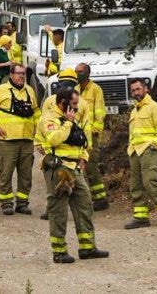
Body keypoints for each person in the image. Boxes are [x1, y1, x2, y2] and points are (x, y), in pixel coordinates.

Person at [39, 86, 109, 264]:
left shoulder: (71, 116)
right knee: (59, 211)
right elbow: (54, 139)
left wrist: (83, 158)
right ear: (63, 103)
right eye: (74, 104)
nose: (77, 107)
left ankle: (87, 247)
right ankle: (59, 251)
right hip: (59, 168)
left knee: (85, 204)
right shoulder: (50, 118)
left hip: (75, 167)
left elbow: (83, 140)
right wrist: (69, 122)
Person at [0, 63, 40, 214]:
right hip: (8, 141)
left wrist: (39, 130)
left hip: (26, 140)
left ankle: (22, 203)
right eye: (19, 73)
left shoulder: (30, 91)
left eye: (24, 74)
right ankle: (6, 203)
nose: (21, 76)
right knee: (6, 173)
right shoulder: (0, 91)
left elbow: (36, 112)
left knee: (26, 175)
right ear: (11, 75)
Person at [35, 69, 89, 221]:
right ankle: (53, 210)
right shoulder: (50, 102)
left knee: (80, 195)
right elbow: (43, 125)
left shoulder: (80, 104)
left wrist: (85, 155)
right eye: (62, 82)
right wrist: (39, 143)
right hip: (55, 158)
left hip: (75, 156)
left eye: (69, 83)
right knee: (55, 192)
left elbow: (86, 131)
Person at [124, 78, 157, 228]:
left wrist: (156, 145)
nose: (135, 93)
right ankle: (141, 217)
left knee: (149, 181)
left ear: (146, 89)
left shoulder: (154, 107)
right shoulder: (134, 110)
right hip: (134, 150)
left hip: (149, 149)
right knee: (135, 184)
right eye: (133, 90)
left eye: (138, 89)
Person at [75, 63, 110, 211]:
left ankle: (100, 199)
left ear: (87, 73)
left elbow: (100, 111)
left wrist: (96, 128)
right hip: (78, 135)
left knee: (91, 166)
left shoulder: (96, 90)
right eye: (76, 71)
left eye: (80, 72)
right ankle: (84, 198)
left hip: (92, 135)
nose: (77, 74)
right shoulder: (75, 90)